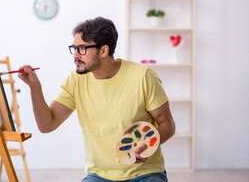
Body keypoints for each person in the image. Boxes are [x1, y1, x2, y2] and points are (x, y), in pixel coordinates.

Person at [18, 17, 175, 182]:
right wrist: (35, 88)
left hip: (145, 174)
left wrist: (149, 144)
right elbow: (46, 125)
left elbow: (167, 123)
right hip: (99, 176)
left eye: (82, 49)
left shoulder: (143, 76)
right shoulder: (76, 80)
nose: (75, 56)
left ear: (103, 51)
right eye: (74, 48)